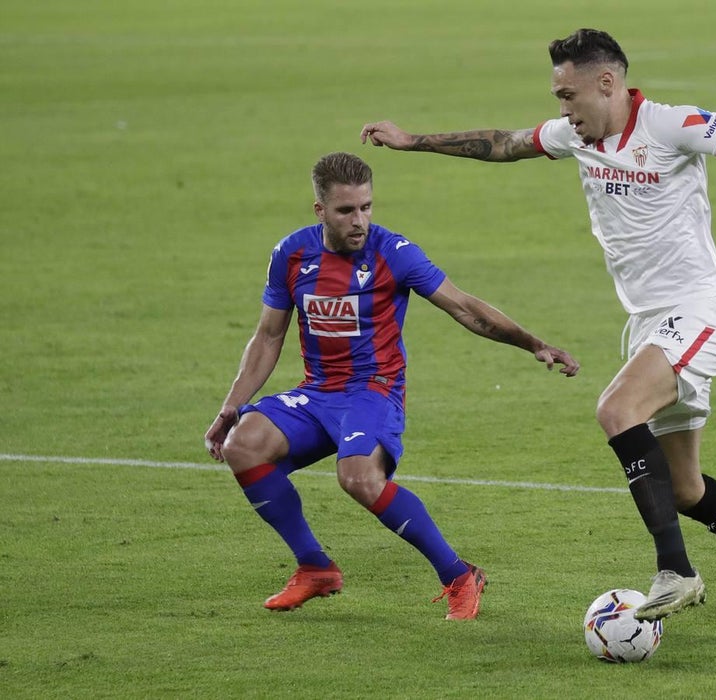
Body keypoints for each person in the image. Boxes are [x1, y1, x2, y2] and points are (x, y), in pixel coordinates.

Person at [361, 28, 716, 638]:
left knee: (615, 409)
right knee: (686, 490)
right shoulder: (574, 137)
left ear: (606, 83)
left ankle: (675, 572)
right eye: (557, 98)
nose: (562, 110)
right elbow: (504, 144)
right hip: (650, 324)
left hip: (700, 310)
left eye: (568, 95)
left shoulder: (670, 125)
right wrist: (414, 141)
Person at [204, 152, 579, 619]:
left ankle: (459, 574)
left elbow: (464, 307)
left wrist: (533, 343)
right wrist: (231, 408)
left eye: (366, 207)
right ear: (320, 211)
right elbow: (268, 337)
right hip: (319, 391)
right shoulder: (292, 254)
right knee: (244, 444)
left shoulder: (393, 253)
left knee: (358, 477)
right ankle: (315, 568)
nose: (359, 220)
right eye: (346, 211)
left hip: (373, 390)